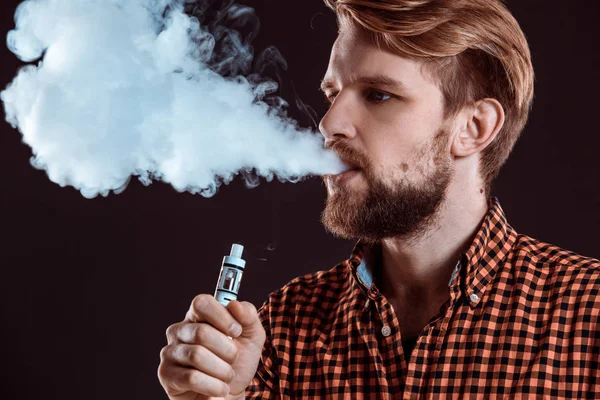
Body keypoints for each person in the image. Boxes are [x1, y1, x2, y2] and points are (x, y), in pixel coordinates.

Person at [158, 0, 600, 398]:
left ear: (474, 128)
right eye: (332, 94)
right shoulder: (285, 328)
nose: (329, 124)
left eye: (379, 95)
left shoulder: (587, 315)